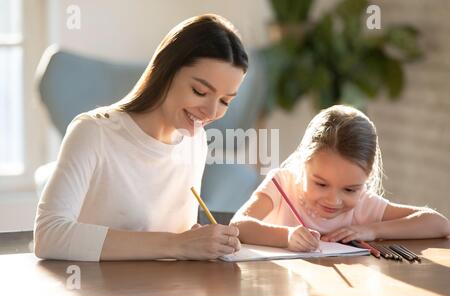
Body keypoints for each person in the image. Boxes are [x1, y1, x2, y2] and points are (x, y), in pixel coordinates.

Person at [34, 14, 247, 261]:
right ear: (166, 71)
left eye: (225, 101)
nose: (211, 112)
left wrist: (199, 242)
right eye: (200, 91)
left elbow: (177, 246)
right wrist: (176, 244)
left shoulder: (194, 142)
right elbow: (49, 235)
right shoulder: (93, 132)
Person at [231, 105, 450, 252]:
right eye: (321, 184)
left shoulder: (364, 205)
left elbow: (439, 224)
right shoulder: (282, 184)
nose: (333, 200)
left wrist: (372, 230)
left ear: (367, 177)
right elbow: (239, 225)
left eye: (350, 190)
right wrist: (287, 237)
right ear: (302, 163)